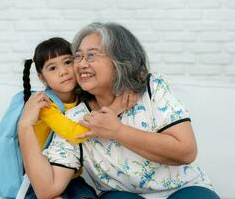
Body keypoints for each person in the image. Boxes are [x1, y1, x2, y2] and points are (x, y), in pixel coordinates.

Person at [18, 23, 220, 199]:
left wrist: (117, 131)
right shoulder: (75, 119)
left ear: (120, 60)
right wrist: (24, 126)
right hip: (119, 194)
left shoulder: (152, 87)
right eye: (77, 57)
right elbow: (47, 190)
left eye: (91, 55)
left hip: (183, 188)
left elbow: (186, 151)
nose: (81, 64)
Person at [20, 37, 136, 199]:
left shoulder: (82, 97)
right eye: (52, 68)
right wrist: (115, 108)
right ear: (42, 78)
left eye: (67, 62)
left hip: (72, 177)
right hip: (43, 177)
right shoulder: (46, 104)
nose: (63, 71)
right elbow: (74, 133)